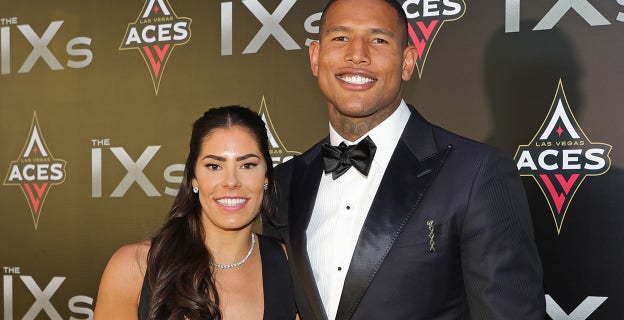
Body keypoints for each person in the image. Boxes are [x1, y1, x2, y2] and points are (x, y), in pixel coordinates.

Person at [264, 0, 546, 319]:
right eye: (340, 38)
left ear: (408, 62)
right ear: (315, 57)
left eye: (378, 39)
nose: (357, 54)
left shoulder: (475, 174)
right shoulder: (285, 182)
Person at [95, 105, 297, 320]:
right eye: (214, 166)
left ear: (266, 177)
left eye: (247, 165)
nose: (231, 182)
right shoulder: (134, 266)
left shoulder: (293, 266)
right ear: (193, 178)